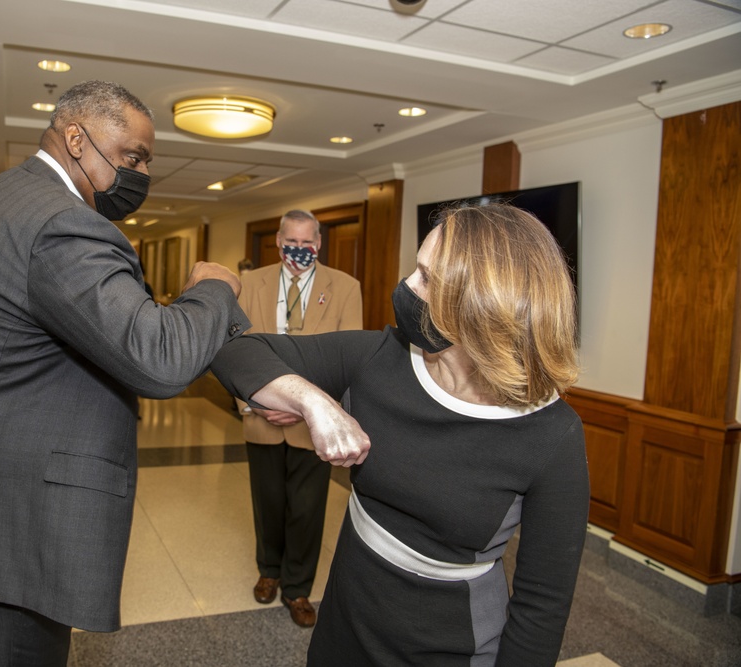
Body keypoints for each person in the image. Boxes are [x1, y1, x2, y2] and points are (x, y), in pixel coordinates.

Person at [0, 81, 254, 666]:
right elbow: (159, 357)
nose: (143, 173)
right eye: (133, 157)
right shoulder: (61, 223)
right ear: (76, 138)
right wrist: (213, 290)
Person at [211, 202, 588, 665]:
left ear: (482, 303)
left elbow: (542, 606)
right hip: (348, 617)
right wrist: (314, 402)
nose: (406, 286)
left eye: (427, 278)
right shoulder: (380, 356)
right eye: (417, 268)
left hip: (449, 641)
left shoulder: (552, 435)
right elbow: (239, 353)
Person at [235, 210, 363, 628]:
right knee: (267, 502)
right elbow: (235, 347)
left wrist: (304, 406)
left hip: (314, 425)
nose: (299, 250)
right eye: (291, 242)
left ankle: (297, 588)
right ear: (277, 240)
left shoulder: (345, 288)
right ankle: (269, 570)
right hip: (261, 417)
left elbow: (347, 360)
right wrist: (253, 403)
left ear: (319, 244)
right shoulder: (249, 285)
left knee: (307, 510)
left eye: (307, 244)